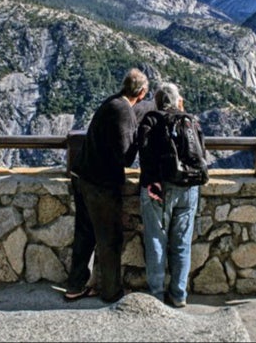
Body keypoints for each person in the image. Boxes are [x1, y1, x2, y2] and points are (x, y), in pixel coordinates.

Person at [64, 67, 149, 303]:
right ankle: (112, 292)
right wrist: (140, 139)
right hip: (100, 184)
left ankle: (75, 286)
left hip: (82, 175)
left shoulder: (113, 102)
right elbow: (125, 157)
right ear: (141, 92)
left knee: (85, 234)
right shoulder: (122, 111)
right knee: (109, 238)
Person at [127, 82, 204, 308]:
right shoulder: (191, 121)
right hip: (189, 188)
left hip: (159, 189)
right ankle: (179, 294)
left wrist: (151, 182)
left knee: (156, 241)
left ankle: (156, 295)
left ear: (157, 102)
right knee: (182, 243)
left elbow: (145, 153)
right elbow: (201, 153)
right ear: (178, 101)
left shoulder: (151, 120)